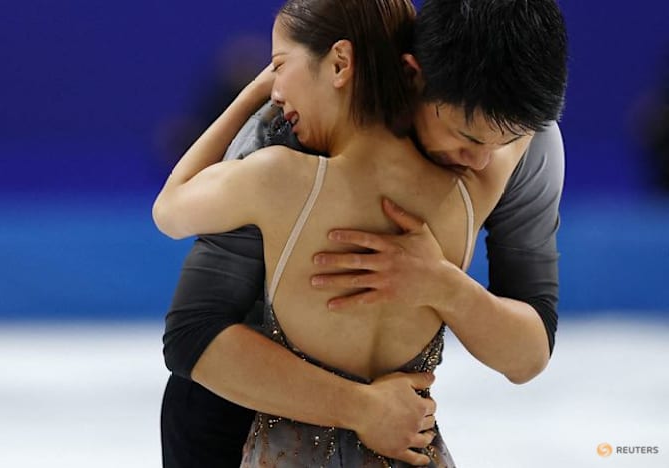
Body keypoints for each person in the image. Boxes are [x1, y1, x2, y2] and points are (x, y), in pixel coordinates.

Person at [158, 0, 567, 466]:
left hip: (393, 430)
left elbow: (528, 355)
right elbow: (196, 333)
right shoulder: (292, 122)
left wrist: (446, 287)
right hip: (237, 409)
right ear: (413, 75)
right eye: (468, 137)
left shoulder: (525, 138)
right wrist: (362, 408)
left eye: (506, 142)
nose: (481, 162)